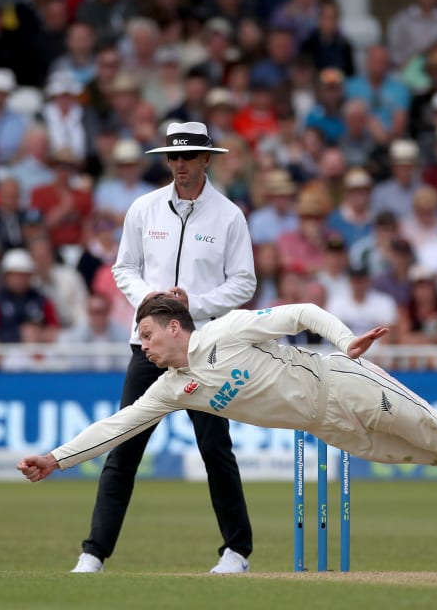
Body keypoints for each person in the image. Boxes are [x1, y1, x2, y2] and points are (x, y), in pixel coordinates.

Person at [18, 295, 437, 564]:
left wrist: (346, 342)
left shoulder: (227, 331)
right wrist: (56, 458)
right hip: (330, 426)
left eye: (146, 335)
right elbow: (116, 427)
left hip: (344, 383)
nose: (141, 346)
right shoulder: (172, 388)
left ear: (174, 327)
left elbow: (301, 313)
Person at [69, 122, 256, 575]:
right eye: (174, 157)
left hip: (203, 349)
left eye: (190, 156)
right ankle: (93, 554)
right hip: (149, 348)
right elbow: (124, 268)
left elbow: (244, 282)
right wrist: (152, 305)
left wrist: (194, 306)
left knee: (215, 449)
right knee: (123, 448)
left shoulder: (229, 215)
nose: (181, 165)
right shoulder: (144, 208)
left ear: (207, 159)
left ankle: (236, 552)